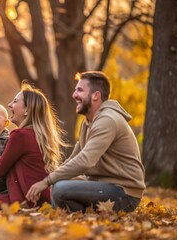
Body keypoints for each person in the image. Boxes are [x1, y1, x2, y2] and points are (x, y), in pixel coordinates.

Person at [26, 71, 145, 213]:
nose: (74, 95)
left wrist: (47, 181)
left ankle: (78, 218)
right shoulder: (88, 122)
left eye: (80, 90)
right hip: (104, 186)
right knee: (59, 185)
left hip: (124, 193)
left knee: (60, 189)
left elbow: (84, 161)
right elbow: (74, 157)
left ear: (96, 96)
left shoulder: (107, 120)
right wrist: (49, 178)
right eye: (76, 90)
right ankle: (80, 217)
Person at [0, 82, 67, 209]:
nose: (9, 104)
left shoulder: (20, 135)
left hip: (21, 199)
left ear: (27, 110)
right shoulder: (40, 135)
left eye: (15, 101)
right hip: (40, 198)